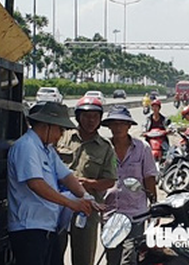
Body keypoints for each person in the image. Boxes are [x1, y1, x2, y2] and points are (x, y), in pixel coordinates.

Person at [8, 101, 98, 265]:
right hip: (29, 229)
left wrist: (86, 196)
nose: (61, 135)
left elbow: (66, 176)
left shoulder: (47, 150)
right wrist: (71, 203)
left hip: (47, 227)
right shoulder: (27, 146)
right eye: (59, 129)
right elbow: (36, 184)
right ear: (46, 125)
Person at [53, 96, 117, 265]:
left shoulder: (106, 147)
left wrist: (89, 184)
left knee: (83, 257)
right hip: (57, 205)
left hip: (87, 209)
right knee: (52, 253)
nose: (91, 120)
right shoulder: (62, 137)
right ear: (78, 116)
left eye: (95, 117)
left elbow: (110, 180)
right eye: (87, 116)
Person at [103, 106, 158, 265]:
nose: (118, 127)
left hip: (135, 214)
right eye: (114, 123)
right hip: (110, 214)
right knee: (112, 259)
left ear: (128, 126)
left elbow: (149, 178)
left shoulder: (142, 148)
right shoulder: (104, 148)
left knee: (129, 259)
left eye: (122, 123)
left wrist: (154, 207)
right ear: (109, 126)